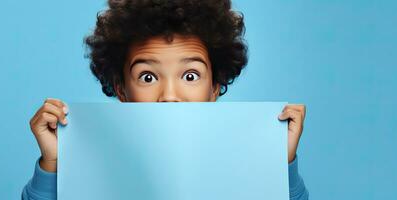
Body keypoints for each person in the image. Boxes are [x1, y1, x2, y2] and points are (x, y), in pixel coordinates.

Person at [22, 0, 308, 199]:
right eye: (148, 77)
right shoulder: (100, 164)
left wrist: (280, 163)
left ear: (215, 87)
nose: (170, 97)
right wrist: (56, 164)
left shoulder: (245, 166)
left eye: (191, 76)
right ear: (121, 90)